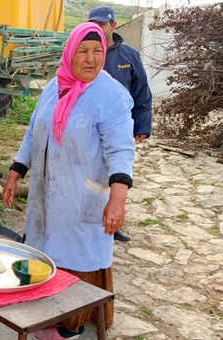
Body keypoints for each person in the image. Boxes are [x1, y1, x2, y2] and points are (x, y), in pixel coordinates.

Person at [2, 22, 135, 340]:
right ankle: (44, 306)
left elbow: (121, 150)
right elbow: (34, 131)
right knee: (46, 245)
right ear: (69, 53)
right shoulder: (54, 86)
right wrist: (15, 173)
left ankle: (70, 323)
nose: (91, 59)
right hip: (48, 190)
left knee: (77, 254)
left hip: (83, 194)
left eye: (98, 51)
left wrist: (118, 199)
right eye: (83, 51)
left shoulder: (112, 96)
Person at [89, 5, 153, 242]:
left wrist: (143, 125)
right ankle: (88, 217)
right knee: (89, 172)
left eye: (102, 25)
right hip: (89, 125)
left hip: (118, 127)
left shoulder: (129, 56)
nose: (97, 29)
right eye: (93, 24)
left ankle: (113, 222)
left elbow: (142, 92)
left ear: (113, 26)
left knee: (115, 171)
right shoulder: (86, 52)